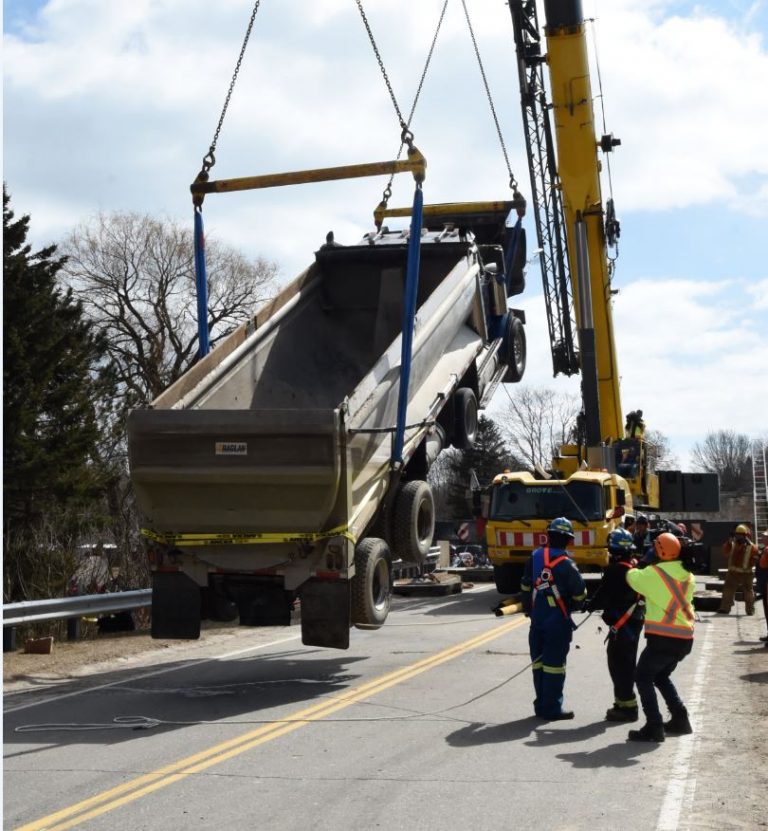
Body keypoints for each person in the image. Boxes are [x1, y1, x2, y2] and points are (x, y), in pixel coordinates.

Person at [625, 532, 695, 743]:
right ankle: (680, 718)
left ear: (659, 551)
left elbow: (631, 577)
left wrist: (643, 562)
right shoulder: (687, 575)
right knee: (660, 676)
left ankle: (654, 726)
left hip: (664, 638)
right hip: (684, 637)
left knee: (642, 677)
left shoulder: (654, 573)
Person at [520, 517, 587, 721]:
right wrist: (576, 605)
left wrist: (528, 608)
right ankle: (551, 709)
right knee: (554, 666)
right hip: (557, 620)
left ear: (548, 536)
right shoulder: (567, 564)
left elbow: (525, 586)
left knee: (539, 664)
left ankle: (541, 704)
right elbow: (580, 594)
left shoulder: (534, 557)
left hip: (537, 619)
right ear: (568, 540)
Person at [592, 528, 645, 722]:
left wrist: (588, 605)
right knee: (626, 663)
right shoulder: (635, 567)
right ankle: (622, 704)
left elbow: (603, 595)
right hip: (634, 622)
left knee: (619, 665)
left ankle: (627, 708)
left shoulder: (615, 571)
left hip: (621, 624)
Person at [717, 524, 758, 615]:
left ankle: (750, 610)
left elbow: (755, 559)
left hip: (746, 573)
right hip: (733, 573)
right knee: (728, 590)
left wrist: (745, 549)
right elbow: (725, 552)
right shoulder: (732, 544)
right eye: (737, 534)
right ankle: (725, 608)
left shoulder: (752, 547)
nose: (738, 537)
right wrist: (728, 542)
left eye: (740, 535)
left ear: (745, 535)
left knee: (748, 591)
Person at [756, 530, 768, 644]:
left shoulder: (767, 550)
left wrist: (763, 554)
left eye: (765, 537)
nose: (763, 539)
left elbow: (763, 564)